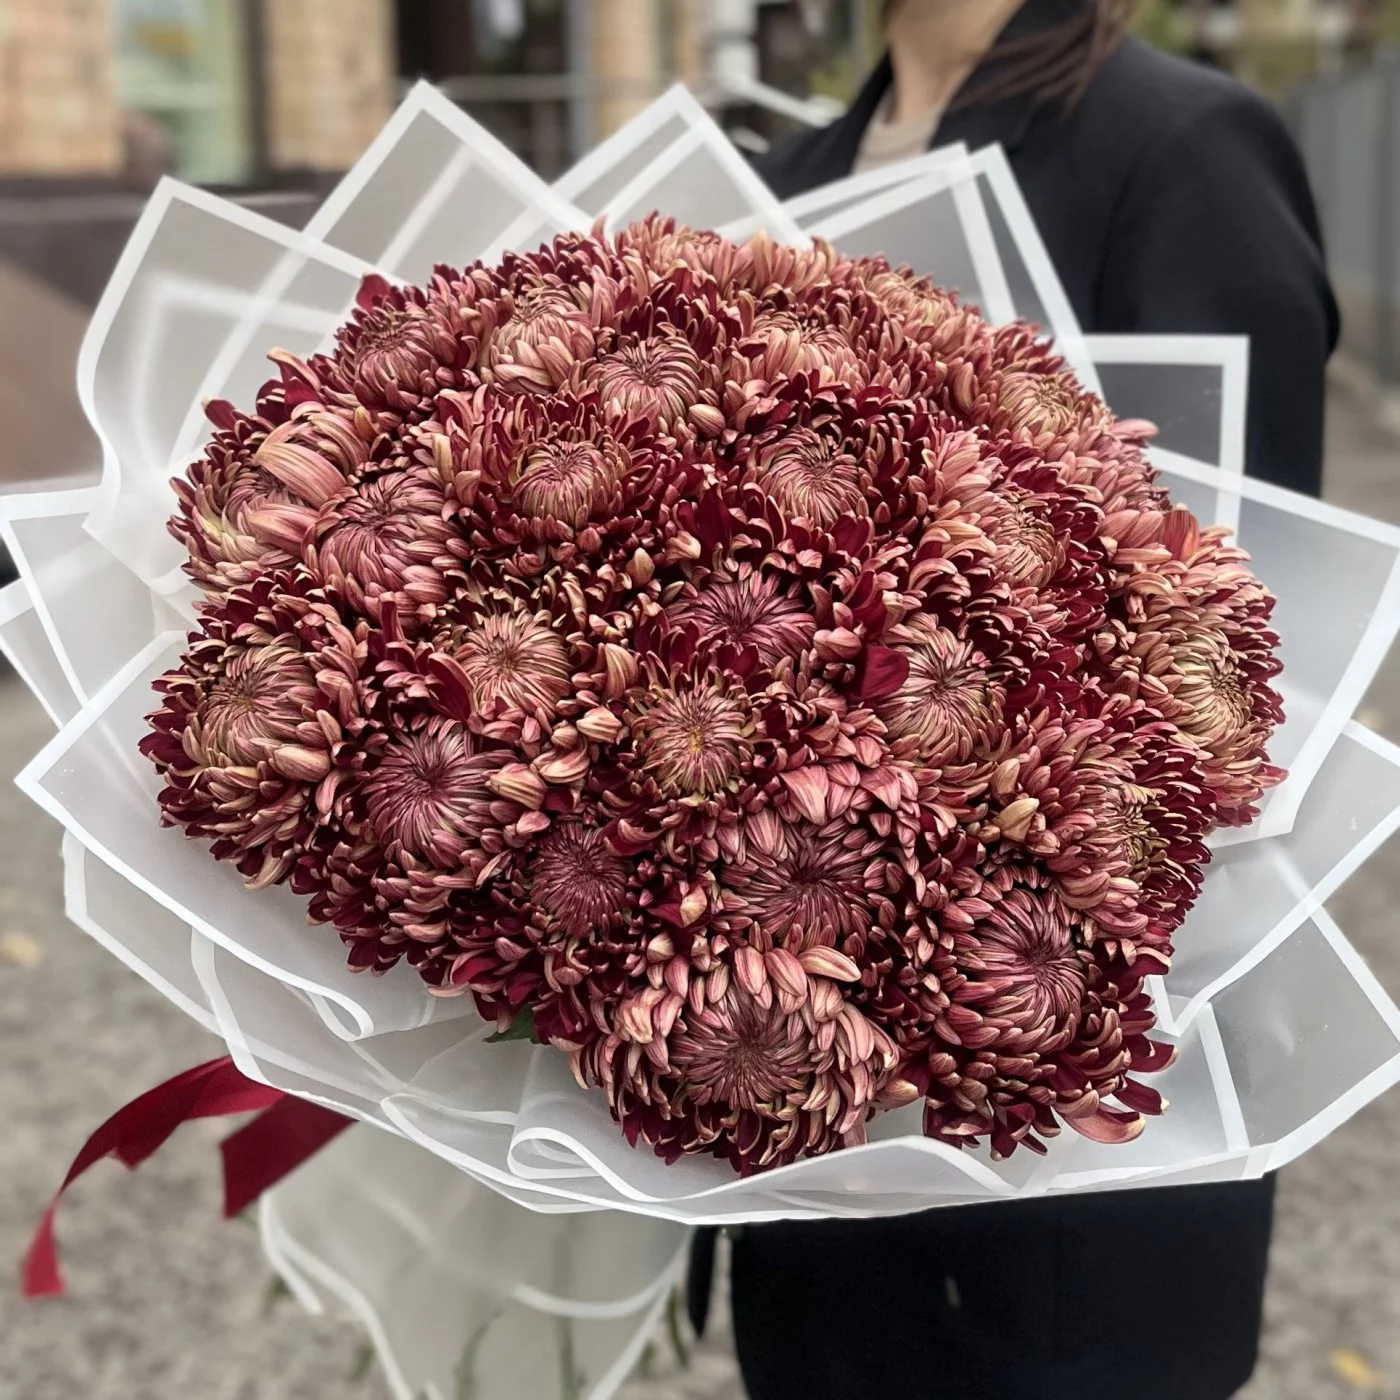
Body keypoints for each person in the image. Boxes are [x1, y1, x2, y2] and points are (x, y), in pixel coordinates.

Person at [688, 3, 1340, 1398]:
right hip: (799, 1086)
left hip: (1062, 1119)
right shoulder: (789, 175)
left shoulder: (1178, 150)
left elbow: (1246, 650)